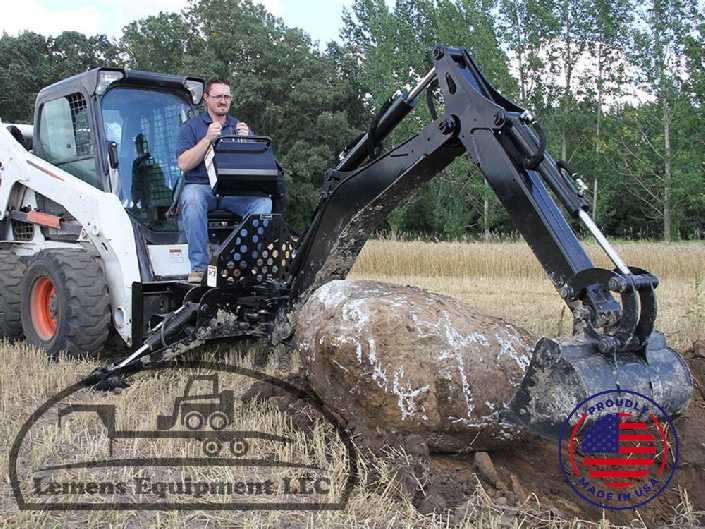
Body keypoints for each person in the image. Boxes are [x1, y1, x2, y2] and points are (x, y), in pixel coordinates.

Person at [176, 78, 272, 283]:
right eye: (218, 96)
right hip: (202, 188)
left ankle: (240, 264)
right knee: (192, 198)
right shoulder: (191, 127)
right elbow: (183, 164)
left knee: (264, 204)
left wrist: (249, 141)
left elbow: (255, 166)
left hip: (232, 192)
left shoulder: (239, 127)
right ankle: (199, 268)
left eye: (227, 96)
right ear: (206, 98)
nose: (223, 101)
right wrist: (207, 139)